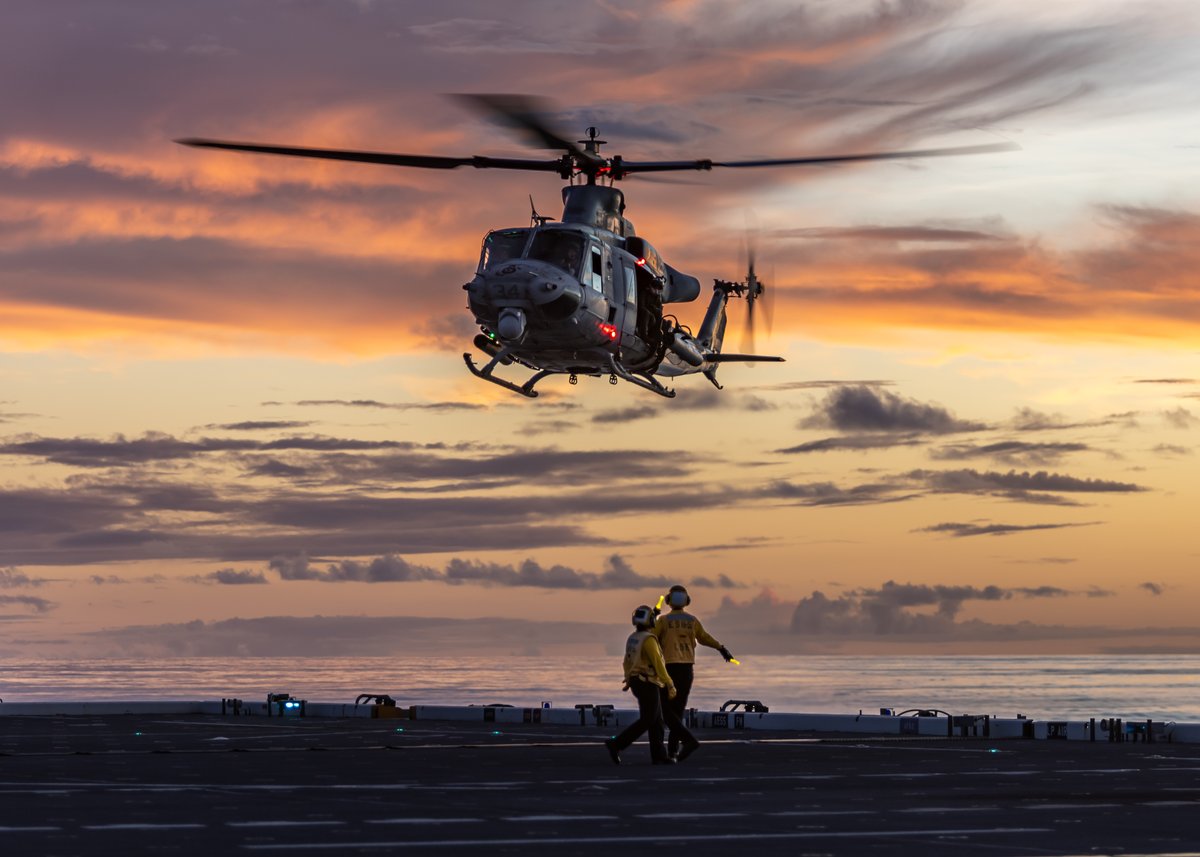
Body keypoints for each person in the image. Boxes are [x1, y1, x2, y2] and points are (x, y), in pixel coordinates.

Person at [654, 584, 734, 760]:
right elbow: (704, 638)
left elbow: (651, 638)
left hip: (667, 668)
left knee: (662, 709)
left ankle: (681, 743)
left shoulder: (663, 621)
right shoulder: (692, 621)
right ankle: (673, 750)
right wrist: (721, 648)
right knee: (678, 709)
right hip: (686, 668)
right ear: (687, 601)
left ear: (668, 600)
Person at [604, 605, 678, 765]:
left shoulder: (633, 638)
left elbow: (627, 661)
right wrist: (670, 684)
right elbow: (658, 664)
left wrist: (628, 679)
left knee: (657, 720)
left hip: (638, 681)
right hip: (647, 683)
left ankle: (659, 756)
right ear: (650, 620)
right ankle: (616, 744)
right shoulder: (648, 640)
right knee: (649, 719)